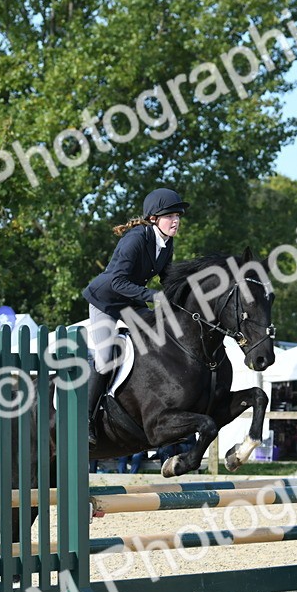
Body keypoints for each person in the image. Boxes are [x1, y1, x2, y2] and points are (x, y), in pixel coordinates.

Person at [82, 187, 189, 445]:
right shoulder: (135, 239)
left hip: (129, 302)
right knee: (106, 358)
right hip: (105, 301)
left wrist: (185, 296)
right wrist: (154, 298)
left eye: (178, 215)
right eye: (169, 216)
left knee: (160, 337)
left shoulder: (166, 242)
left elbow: (167, 279)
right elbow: (117, 282)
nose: (176, 220)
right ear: (153, 218)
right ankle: (86, 418)